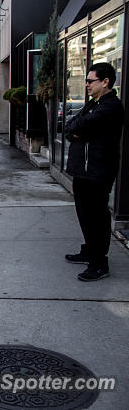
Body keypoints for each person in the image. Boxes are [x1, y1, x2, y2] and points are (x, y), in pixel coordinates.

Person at [64, 62, 125, 281]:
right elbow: (71, 126)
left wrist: (79, 129)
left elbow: (82, 126)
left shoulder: (111, 106)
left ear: (105, 82)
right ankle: (90, 249)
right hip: (83, 171)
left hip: (98, 171)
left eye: (90, 81)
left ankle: (100, 263)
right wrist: (77, 130)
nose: (87, 84)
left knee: (97, 217)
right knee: (84, 214)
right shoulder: (93, 104)